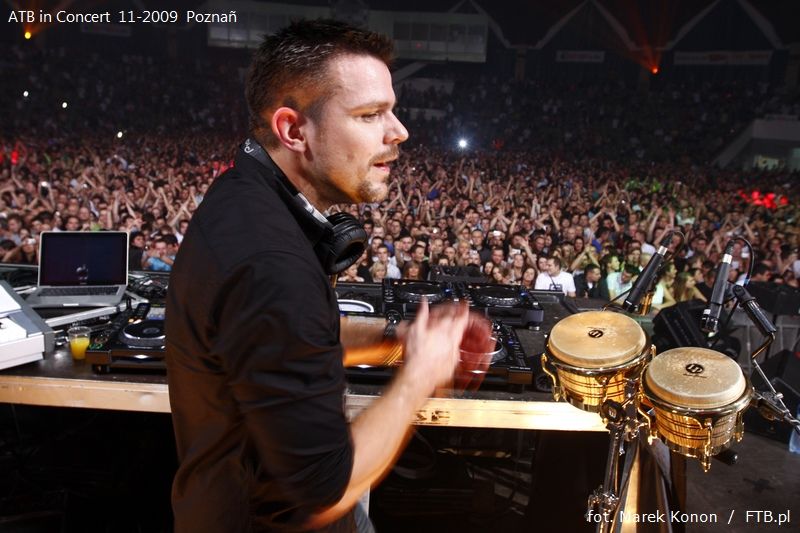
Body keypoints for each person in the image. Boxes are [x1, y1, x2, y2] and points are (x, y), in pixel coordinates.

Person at [165, 19, 491, 533]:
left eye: (392, 109)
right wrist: (419, 376)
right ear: (294, 130)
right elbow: (324, 491)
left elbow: (291, 339)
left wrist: (399, 341)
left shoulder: (245, 196)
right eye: (370, 114)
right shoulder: (272, 264)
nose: (399, 131)